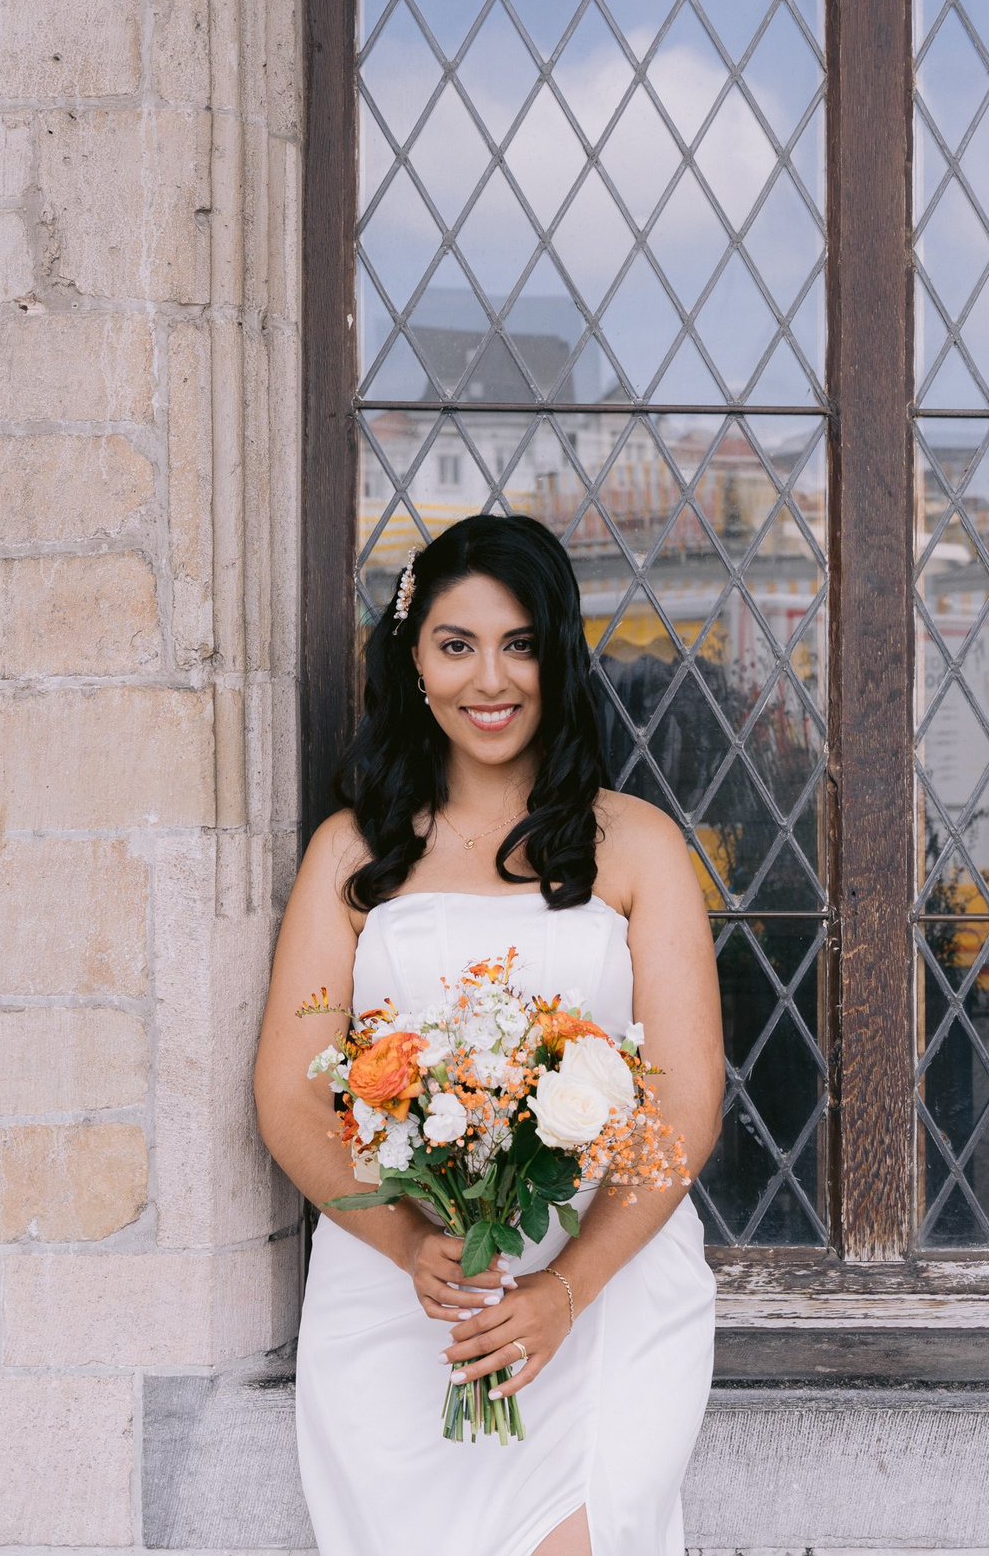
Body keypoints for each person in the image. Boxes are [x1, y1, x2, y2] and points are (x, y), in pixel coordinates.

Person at [254, 513, 722, 1556]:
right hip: (403, 1295)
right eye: (455, 645)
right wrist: (411, 1241)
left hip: (608, 1287)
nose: (488, 678)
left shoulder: (636, 845)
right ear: (412, 659)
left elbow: (685, 1099)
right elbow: (290, 1092)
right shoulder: (351, 854)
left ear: (555, 656)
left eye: (517, 644)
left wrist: (564, 1288)